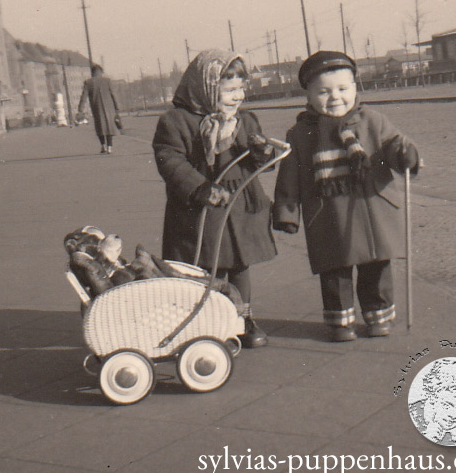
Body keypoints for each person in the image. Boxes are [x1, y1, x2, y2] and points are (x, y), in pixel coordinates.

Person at [272, 51, 420, 342]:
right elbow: (289, 175)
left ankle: (378, 315)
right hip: (328, 215)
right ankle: (340, 322)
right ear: (309, 95)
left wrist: (405, 154)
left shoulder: (373, 121)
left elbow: (392, 145)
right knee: (334, 270)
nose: (335, 97)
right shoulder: (301, 134)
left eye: (343, 89)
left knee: (376, 265)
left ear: (355, 88)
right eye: (324, 92)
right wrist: (287, 212)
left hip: (372, 209)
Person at [152, 49, 276, 348]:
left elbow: (254, 160)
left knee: (239, 265)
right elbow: (170, 160)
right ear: (206, 87)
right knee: (206, 266)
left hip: (239, 203)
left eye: (241, 90)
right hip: (201, 207)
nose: (238, 97)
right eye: (229, 90)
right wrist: (199, 187)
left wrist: (262, 152)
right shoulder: (176, 122)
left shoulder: (244, 120)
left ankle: (242, 318)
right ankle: (207, 320)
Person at [77, 65, 120, 154]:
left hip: (96, 108)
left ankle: (103, 145)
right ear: (101, 72)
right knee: (109, 127)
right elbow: (113, 95)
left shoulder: (88, 82)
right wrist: (117, 107)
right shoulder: (107, 81)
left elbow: (83, 96)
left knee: (100, 127)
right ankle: (109, 147)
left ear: (92, 72)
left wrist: (80, 109)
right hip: (109, 108)